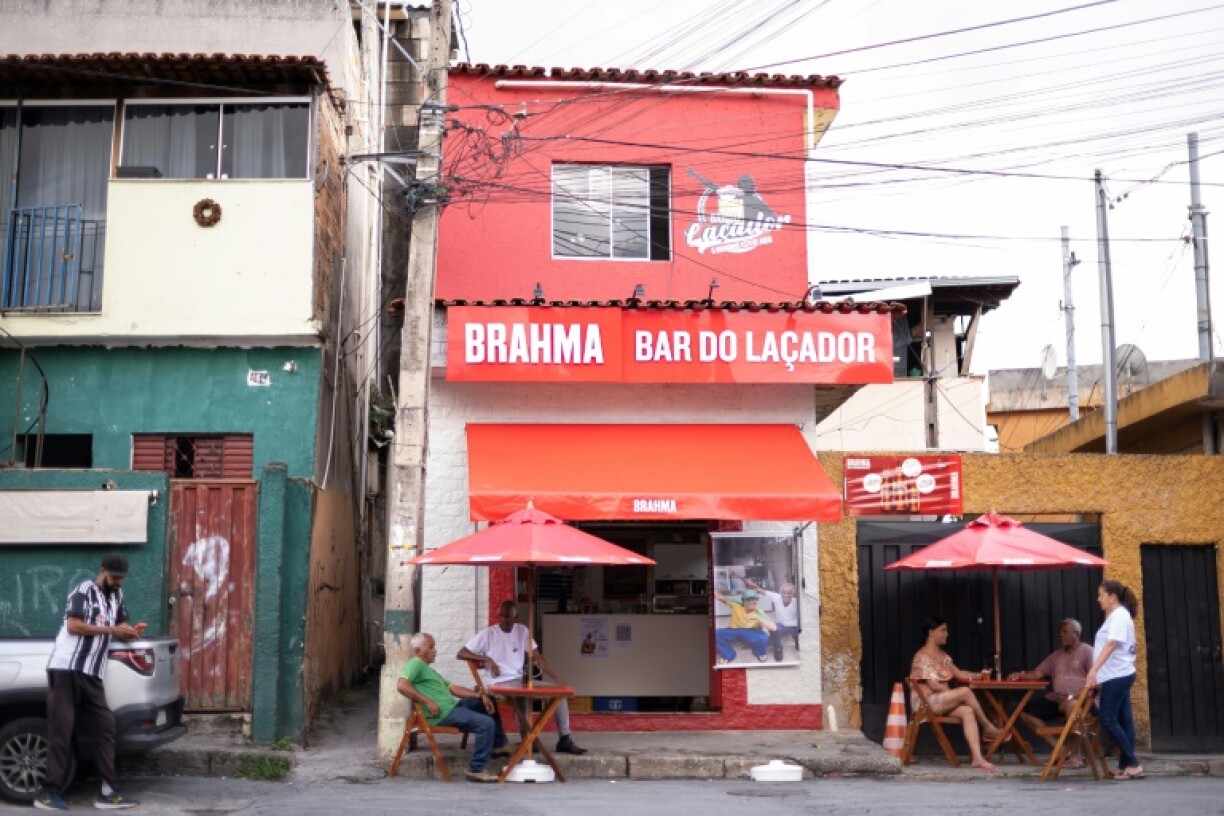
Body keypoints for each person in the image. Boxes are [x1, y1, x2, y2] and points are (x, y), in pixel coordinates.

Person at [35, 553, 144, 811]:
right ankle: (48, 792)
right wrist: (113, 630)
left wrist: (130, 633)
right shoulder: (83, 590)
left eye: (122, 577)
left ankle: (108, 791)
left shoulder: (116, 596)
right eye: (115, 576)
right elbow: (73, 626)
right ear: (103, 571)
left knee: (105, 727)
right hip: (66, 669)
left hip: (93, 673)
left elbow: (120, 626)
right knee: (62, 729)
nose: (118, 581)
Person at [457, 600, 587, 755]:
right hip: (498, 683)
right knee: (522, 698)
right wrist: (487, 659)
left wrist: (558, 680)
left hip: (518, 681)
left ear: (516, 617)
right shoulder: (488, 634)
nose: (504, 620)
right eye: (501, 616)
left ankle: (564, 738)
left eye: (508, 617)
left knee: (560, 693)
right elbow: (461, 653)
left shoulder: (522, 631)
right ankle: (528, 739)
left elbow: (538, 657)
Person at [397, 632, 512, 783]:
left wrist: (480, 695)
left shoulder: (430, 671)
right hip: (443, 714)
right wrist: (428, 702)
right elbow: (402, 686)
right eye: (431, 647)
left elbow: (454, 689)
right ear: (418, 651)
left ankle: (498, 745)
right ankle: (476, 769)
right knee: (486, 724)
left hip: (453, 707)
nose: (435, 650)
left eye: (434, 647)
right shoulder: (415, 663)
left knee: (488, 701)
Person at [910, 615, 1005, 772]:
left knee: (967, 711)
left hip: (941, 701)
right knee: (965, 692)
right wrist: (957, 695)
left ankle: (977, 758)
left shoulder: (943, 656)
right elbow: (934, 686)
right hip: (925, 704)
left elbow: (960, 674)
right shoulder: (921, 657)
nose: (946, 634)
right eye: (943, 630)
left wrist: (979, 675)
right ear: (931, 632)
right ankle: (988, 727)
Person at [1007, 618, 1094, 767]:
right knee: (1025, 713)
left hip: (1081, 699)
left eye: (1065, 632)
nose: (1061, 635)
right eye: (1060, 632)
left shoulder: (1087, 651)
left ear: (1076, 634)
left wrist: (1073, 697)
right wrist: (1019, 675)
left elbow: (1095, 682)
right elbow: (1036, 674)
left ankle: (1075, 756)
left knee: (1073, 706)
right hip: (1057, 699)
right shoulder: (1056, 656)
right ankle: (1061, 750)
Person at [1086, 579, 1142, 781]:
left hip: (1116, 675)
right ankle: (1126, 765)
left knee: (1107, 718)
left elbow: (1111, 645)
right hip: (1119, 673)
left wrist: (1093, 670)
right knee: (1124, 720)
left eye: (1101, 595)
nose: (1098, 599)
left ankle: (1132, 762)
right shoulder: (1118, 616)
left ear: (1112, 596)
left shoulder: (1119, 616)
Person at [713, 589, 776, 665]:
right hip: (733, 630)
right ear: (743, 601)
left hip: (751, 632)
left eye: (754, 599)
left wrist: (757, 617)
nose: (751, 602)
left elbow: (773, 627)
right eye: (748, 599)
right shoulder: (736, 605)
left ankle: (760, 653)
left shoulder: (759, 612)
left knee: (763, 637)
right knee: (714, 634)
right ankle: (728, 654)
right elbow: (721, 598)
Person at [745, 578, 799, 661]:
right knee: (773, 628)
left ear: (792, 594)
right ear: (780, 593)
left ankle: (797, 640)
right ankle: (778, 649)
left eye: (789, 593)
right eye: (784, 593)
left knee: (799, 635)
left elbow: (802, 619)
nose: (786, 595)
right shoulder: (776, 597)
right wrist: (751, 584)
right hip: (781, 625)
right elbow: (760, 590)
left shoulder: (796, 602)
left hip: (794, 626)